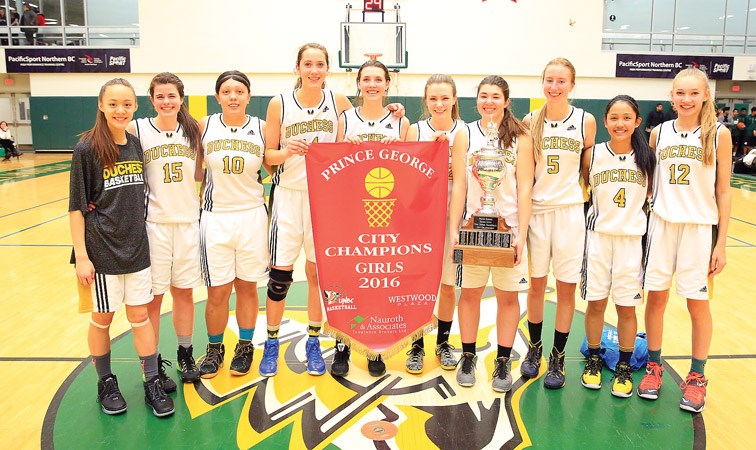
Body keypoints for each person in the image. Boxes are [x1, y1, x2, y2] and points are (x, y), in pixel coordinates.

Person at [69, 78, 174, 417]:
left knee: (140, 316)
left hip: (137, 246)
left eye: (127, 104)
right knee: (103, 319)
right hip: (101, 250)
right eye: (113, 103)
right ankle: (106, 382)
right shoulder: (86, 148)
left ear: (134, 107)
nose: (120, 110)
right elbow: (76, 208)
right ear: (101, 105)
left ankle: (152, 382)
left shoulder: (135, 145)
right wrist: (82, 257)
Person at [639, 67, 731, 413]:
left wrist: (720, 242)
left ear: (706, 95)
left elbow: (723, 191)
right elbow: (647, 183)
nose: (687, 99)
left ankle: (696, 377)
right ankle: (654, 366)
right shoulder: (659, 133)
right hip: (662, 226)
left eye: (694, 93)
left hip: (698, 229)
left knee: (697, 305)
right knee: (657, 300)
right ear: (671, 96)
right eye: (680, 93)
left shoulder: (718, 134)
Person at [262, 43, 352, 378]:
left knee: (317, 274)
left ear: (328, 68)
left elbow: (356, 142)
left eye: (320, 64)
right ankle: (271, 343)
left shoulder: (339, 103)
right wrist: (285, 152)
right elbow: (267, 157)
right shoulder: (279, 103)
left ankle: (314, 342)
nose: (314, 70)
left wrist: (397, 114)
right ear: (297, 67)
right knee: (280, 277)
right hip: (287, 196)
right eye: (308, 64)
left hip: (324, 200)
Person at [450, 76, 534, 391]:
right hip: (473, 228)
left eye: (495, 97)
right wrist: (454, 229)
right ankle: (468, 355)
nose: (489, 102)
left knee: (507, 297)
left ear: (506, 101)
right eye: (484, 96)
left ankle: (502, 361)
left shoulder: (520, 137)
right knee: (470, 293)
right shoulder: (464, 134)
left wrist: (521, 234)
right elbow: (459, 184)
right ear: (477, 100)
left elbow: (525, 187)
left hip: (507, 228)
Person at [521, 57, 597, 389]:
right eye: (549, 80)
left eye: (561, 81)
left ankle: (558, 357)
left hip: (569, 213)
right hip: (537, 212)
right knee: (536, 286)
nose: (554, 86)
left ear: (572, 85)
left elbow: (588, 170)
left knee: (566, 289)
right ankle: (534, 349)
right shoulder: (529, 120)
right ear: (543, 82)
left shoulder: (585, 120)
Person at [331, 59, 409, 377]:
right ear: (359, 84)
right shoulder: (345, 118)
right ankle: (342, 346)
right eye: (367, 79)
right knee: (347, 280)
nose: (373, 84)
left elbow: (409, 170)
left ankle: (376, 347)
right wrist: (343, 148)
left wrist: (400, 147)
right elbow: (331, 170)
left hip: (385, 214)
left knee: (379, 281)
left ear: (387, 84)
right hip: (351, 212)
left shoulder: (399, 121)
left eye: (379, 79)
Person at [126, 73, 202, 387]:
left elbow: (199, 174)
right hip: (153, 223)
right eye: (160, 96)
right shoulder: (138, 128)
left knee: (183, 292)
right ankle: (153, 362)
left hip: (187, 222)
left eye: (172, 96)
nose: (166, 102)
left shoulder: (194, 129)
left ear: (181, 98)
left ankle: (185, 352)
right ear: (152, 99)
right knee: (154, 297)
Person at [194, 71, 269, 379]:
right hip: (215, 216)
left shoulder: (263, 128)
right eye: (227, 91)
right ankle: (214, 349)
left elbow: (275, 164)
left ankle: (245, 346)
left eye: (240, 91)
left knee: (247, 286)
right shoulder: (204, 125)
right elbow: (193, 169)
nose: (234, 96)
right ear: (218, 96)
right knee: (218, 290)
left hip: (252, 214)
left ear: (249, 96)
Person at [579, 95, 655, 398]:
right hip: (598, 239)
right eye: (614, 117)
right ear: (606, 121)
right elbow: (586, 188)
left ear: (637, 121)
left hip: (631, 242)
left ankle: (624, 365)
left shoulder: (649, 157)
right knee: (595, 303)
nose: (620, 123)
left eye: (627, 118)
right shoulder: (592, 155)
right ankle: (594, 359)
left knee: (626, 307)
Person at [402, 74, 466, 375]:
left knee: (447, 283)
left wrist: (455, 226)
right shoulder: (415, 130)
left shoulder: (463, 132)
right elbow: (406, 179)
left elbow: (462, 183)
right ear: (426, 102)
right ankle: (416, 344)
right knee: (417, 282)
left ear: (454, 100)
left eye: (444, 98)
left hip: (453, 213)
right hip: (421, 215)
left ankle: (442, 342)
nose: (439, 104)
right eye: (433, 99)